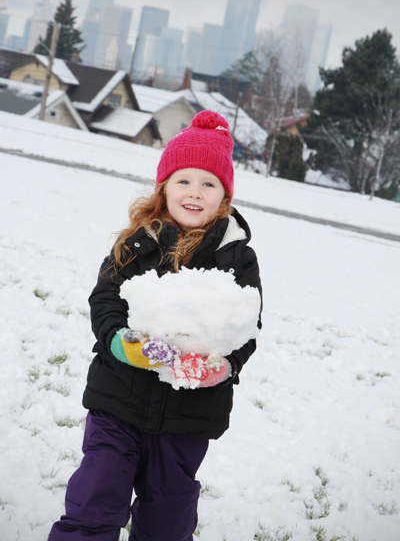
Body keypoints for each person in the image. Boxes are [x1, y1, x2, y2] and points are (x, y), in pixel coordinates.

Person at [48, 110, 262, 541]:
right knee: (95, 500)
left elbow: (246, 324)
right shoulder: (135, 244)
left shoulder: (237, 257)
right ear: (164, 187)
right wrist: (120, 342)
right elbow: (105, 299)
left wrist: (223, 367)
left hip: (189, 415)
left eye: (209, 184)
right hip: (119, 401)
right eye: (184, 180)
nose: (195, 193)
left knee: (167, 520)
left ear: (224, 196)